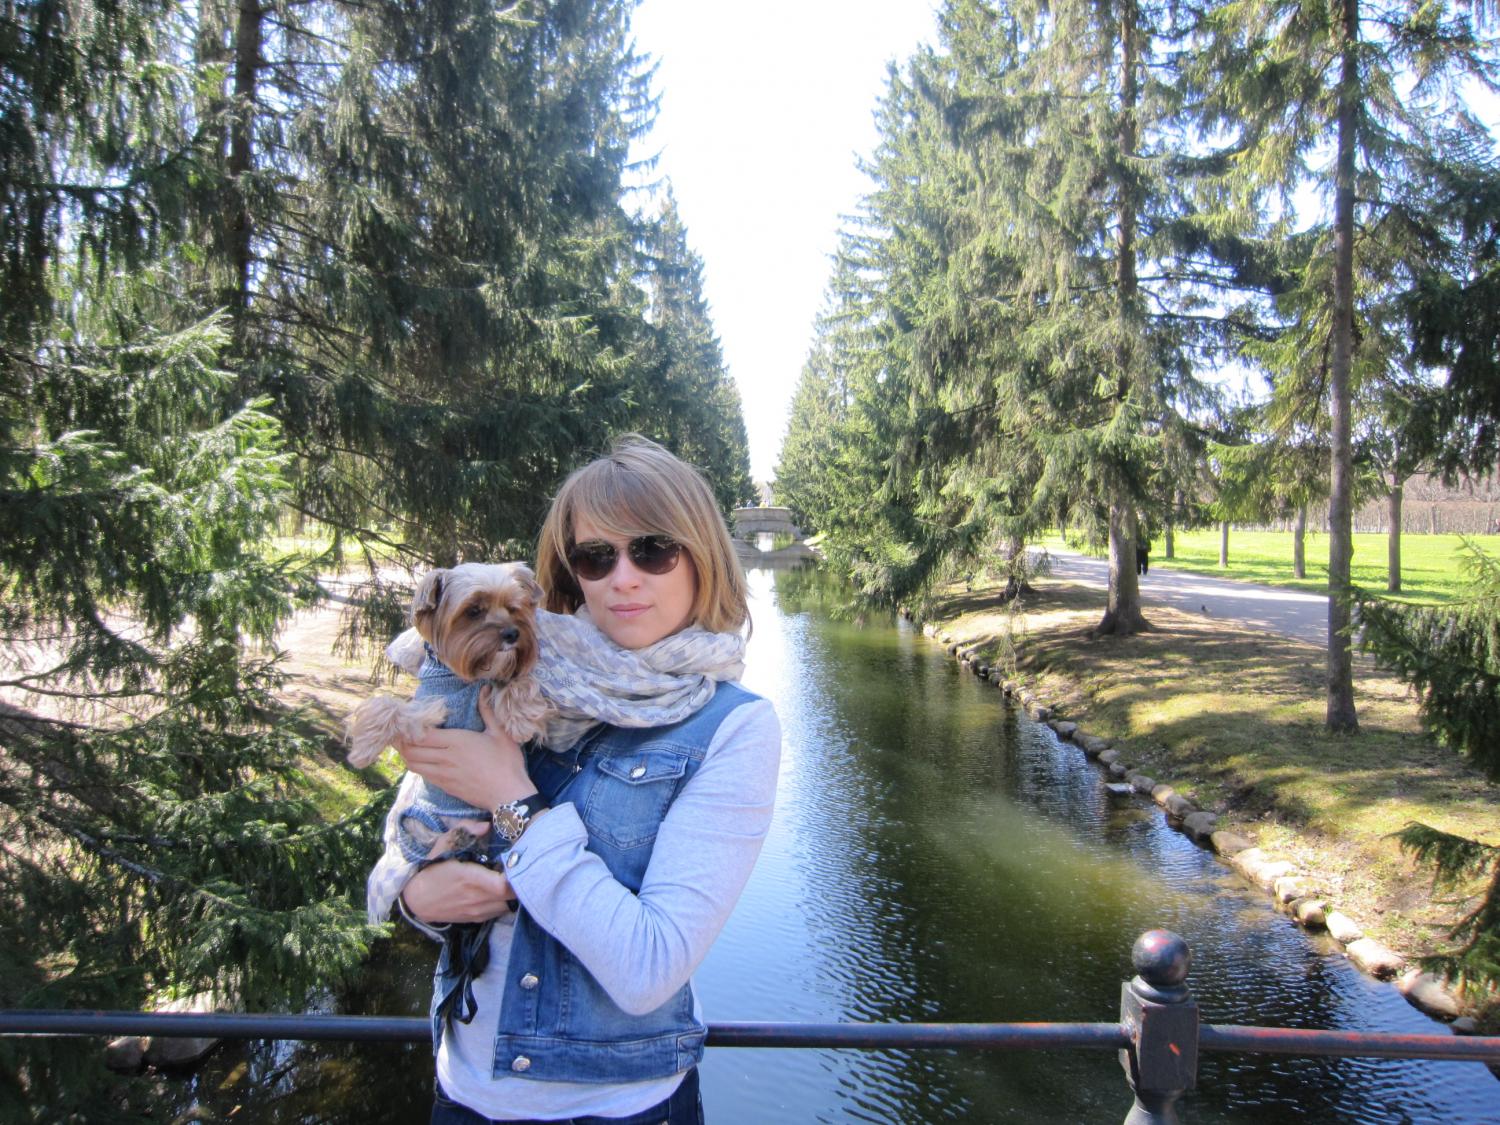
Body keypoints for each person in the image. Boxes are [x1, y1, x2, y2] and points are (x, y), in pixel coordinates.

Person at [380, 435, 781, 1125]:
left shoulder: (734, 727)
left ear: (702, 555)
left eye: (653, 549)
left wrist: (510, 800)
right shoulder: (510, 662)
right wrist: (416, 895)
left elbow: (649, 969)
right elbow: (411, 838)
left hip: (621, 1106)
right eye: (597, 556)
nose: (623, 578)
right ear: (574, 572)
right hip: (466, 1090)